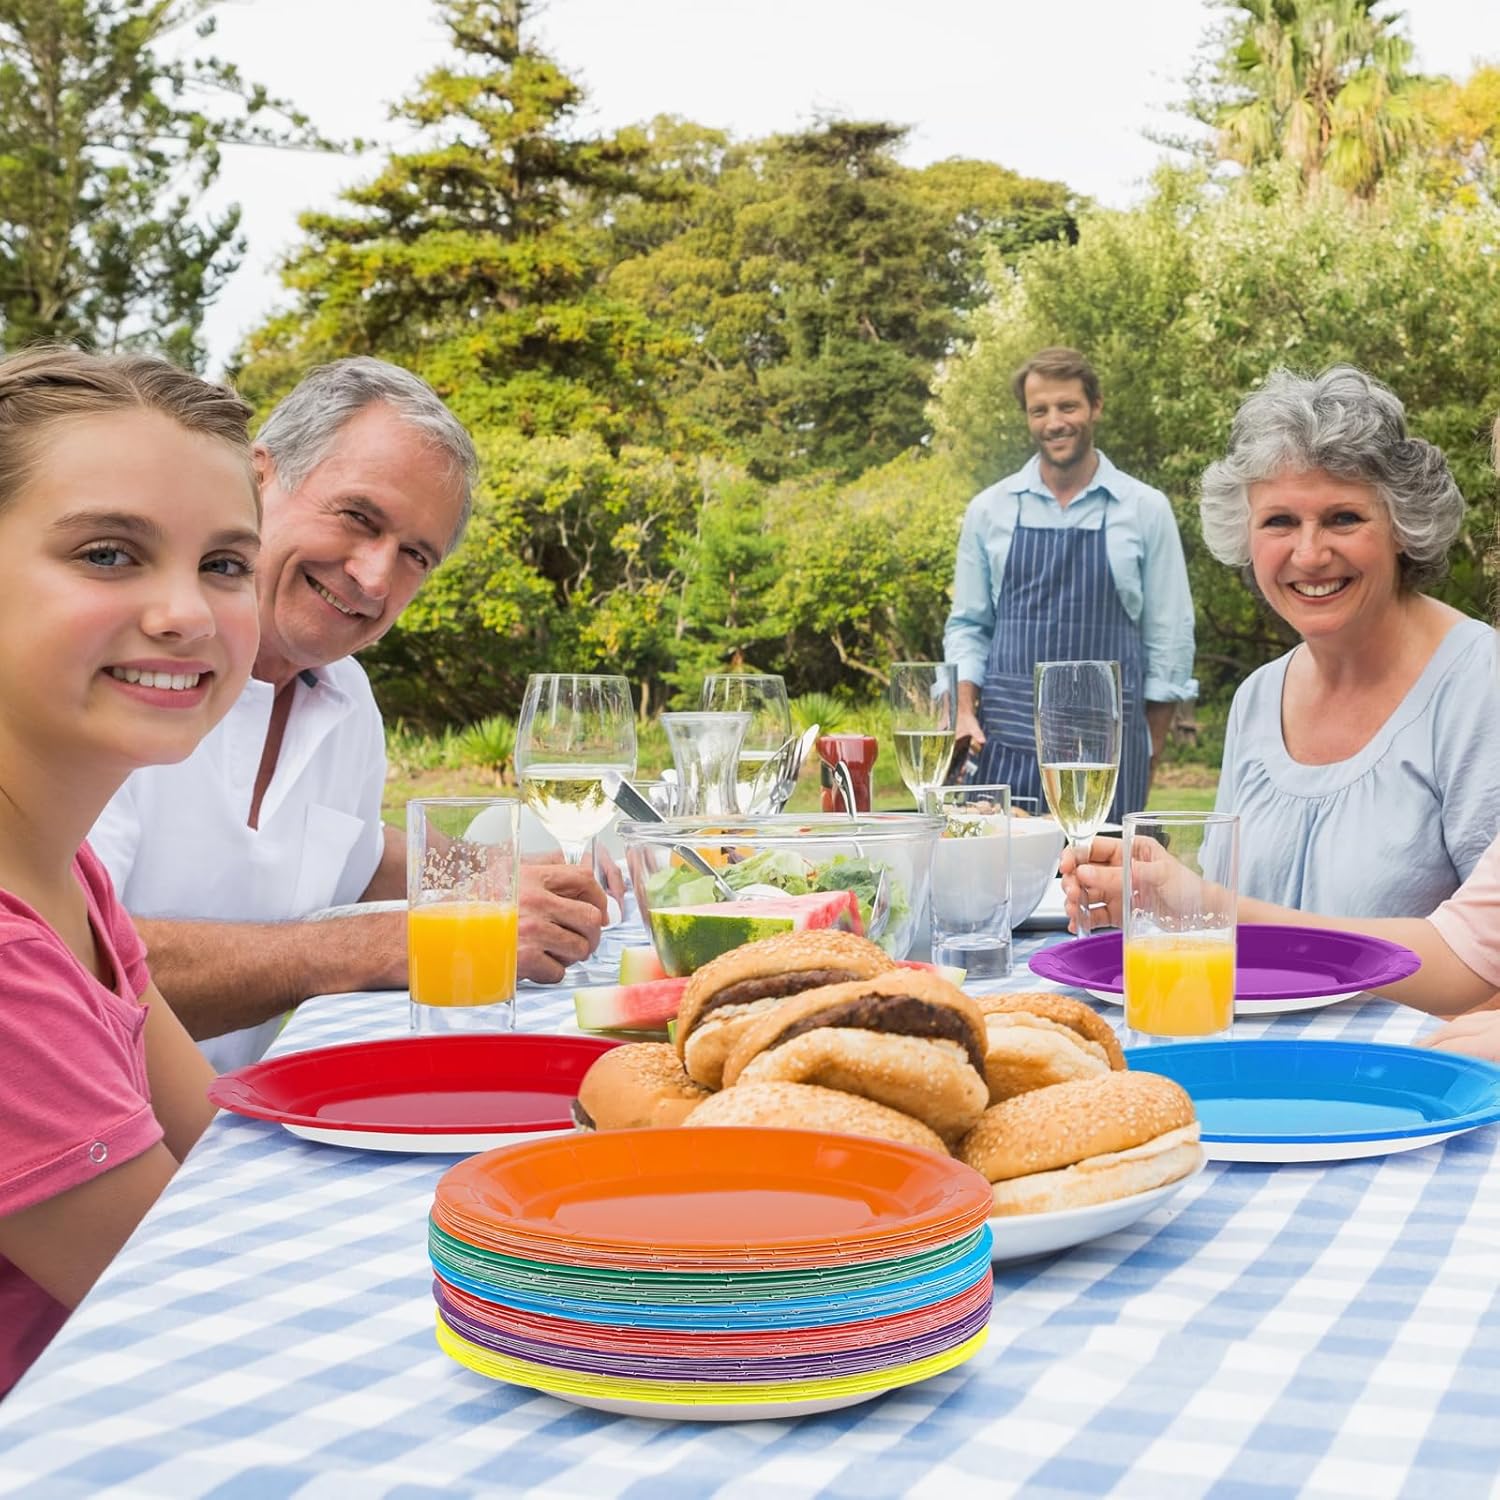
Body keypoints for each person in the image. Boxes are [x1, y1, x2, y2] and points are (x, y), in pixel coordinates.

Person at [88, 359, 611, 1073]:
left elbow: (346, 854)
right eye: (359, 517)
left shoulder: (346, 694)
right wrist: (401, 941)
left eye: (414, 556)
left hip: (225, 1124)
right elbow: (67, 964)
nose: (373, 576)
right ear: (258, 477)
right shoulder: (131, 665)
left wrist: (502, 870)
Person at [0, 346, 261, 1394]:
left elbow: (227, 1161)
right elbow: (194, 1314)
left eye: (226, 563)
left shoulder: (63, 876)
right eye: (109, 554)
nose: (186, 614)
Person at [1195, 365, 1500, 916]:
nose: (1309, 554)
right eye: (1279, 521)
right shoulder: (1258, 697)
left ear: (1404, 524)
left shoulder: (1481, 684)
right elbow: (1217, 924)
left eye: (1343, 518)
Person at [944, 347, 1196, 820]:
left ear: (1096, 407)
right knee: (999, 890)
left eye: (1068, 406)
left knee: (1104, 892)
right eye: (1039, 410)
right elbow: (969, 626)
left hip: (1107, 762)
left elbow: (1170, 641)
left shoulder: (1143, 508)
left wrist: (1149, 750)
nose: (1054, 422)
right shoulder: (990, 510)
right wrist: (963, 711)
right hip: (1005, 752)